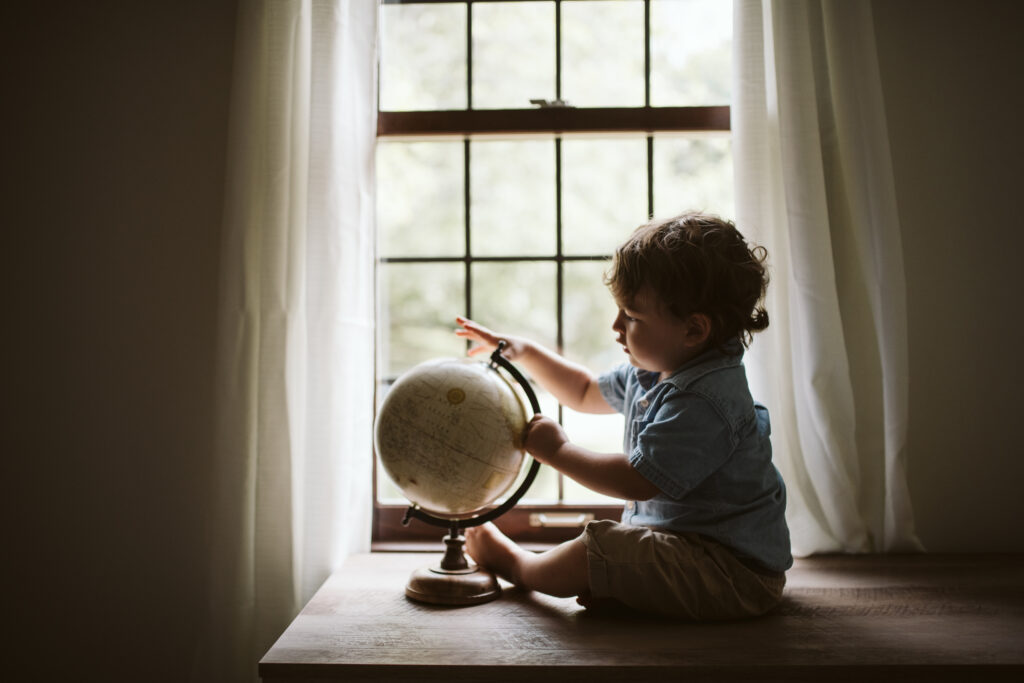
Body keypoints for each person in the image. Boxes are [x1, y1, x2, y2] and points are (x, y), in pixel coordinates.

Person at [455, 212, 792, 620]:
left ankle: (516, 566)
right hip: (688, 550)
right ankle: (625, 590)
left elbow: (637, 479)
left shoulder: (706, 399)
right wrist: (524, 352)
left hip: (732, 575)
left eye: (631, 316)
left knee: (600, 548)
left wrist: (558, 451)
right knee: (618, 548)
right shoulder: (655, 368)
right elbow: (583, 391)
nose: (616, 326)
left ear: (693, 330)